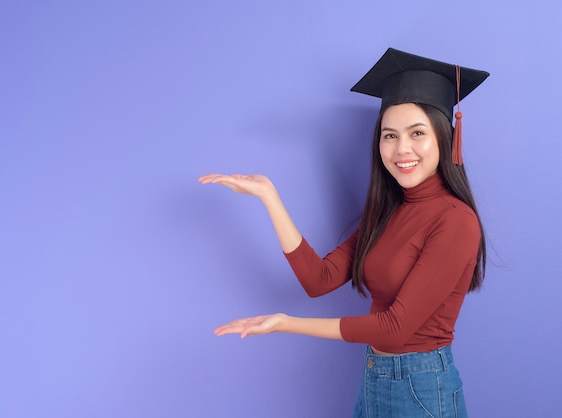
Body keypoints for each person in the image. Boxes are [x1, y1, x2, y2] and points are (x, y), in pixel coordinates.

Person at [199, 48, 489, 418]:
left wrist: (287, 323)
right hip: (374, 378)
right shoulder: (386, 213)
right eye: (389, 135)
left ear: (445, 138)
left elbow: (395, 328)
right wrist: (269, 196)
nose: (402, 149)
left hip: (421, 388)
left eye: (417, 133)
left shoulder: (455, 221)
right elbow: (317, 280)